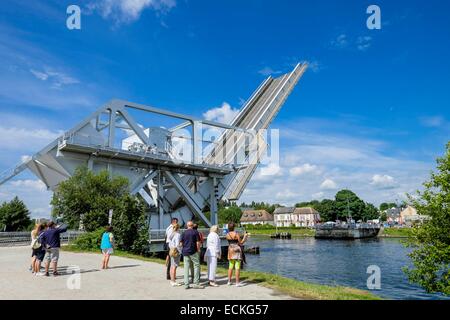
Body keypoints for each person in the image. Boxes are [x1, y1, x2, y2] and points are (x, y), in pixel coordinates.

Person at [180, 221, 204, 289]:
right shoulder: (195, 232)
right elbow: (198, 242)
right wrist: (198, 249)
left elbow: (181, 244)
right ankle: (196, 283)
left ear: (187, 226)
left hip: (185, 252)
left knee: (186, 268)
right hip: (193, 251)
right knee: (196, 266)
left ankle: (186, 284)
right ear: (192, 225)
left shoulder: (184, 233)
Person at [226, 222, 249, 287]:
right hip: (237, 251)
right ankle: (237, 282)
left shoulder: (227, 234)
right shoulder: (236, 234)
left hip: (230, 250)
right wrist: (245, 237)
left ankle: (229, 281)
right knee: (237, 267)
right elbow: (241, 243)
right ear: (234, 227)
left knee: (230, 266)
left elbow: (229, 242)